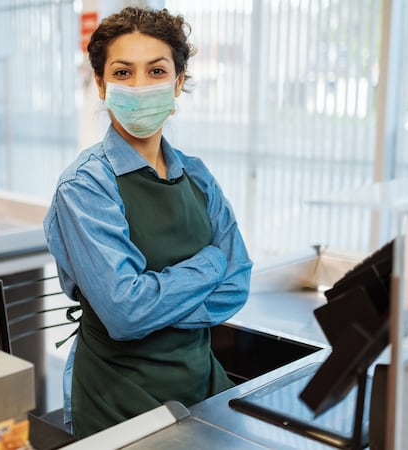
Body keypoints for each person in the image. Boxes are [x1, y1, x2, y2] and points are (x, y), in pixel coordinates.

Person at [43, 6, 253, 438]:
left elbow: (238, 283)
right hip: (119, 404)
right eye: (123, 73)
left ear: (178, 83)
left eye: (156, 71)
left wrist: (151, 305)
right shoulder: (85, 187)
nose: (140, 87)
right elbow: (125, 313)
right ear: (100, 85)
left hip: (203, 388)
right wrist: (210, 264)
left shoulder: (196, 175)